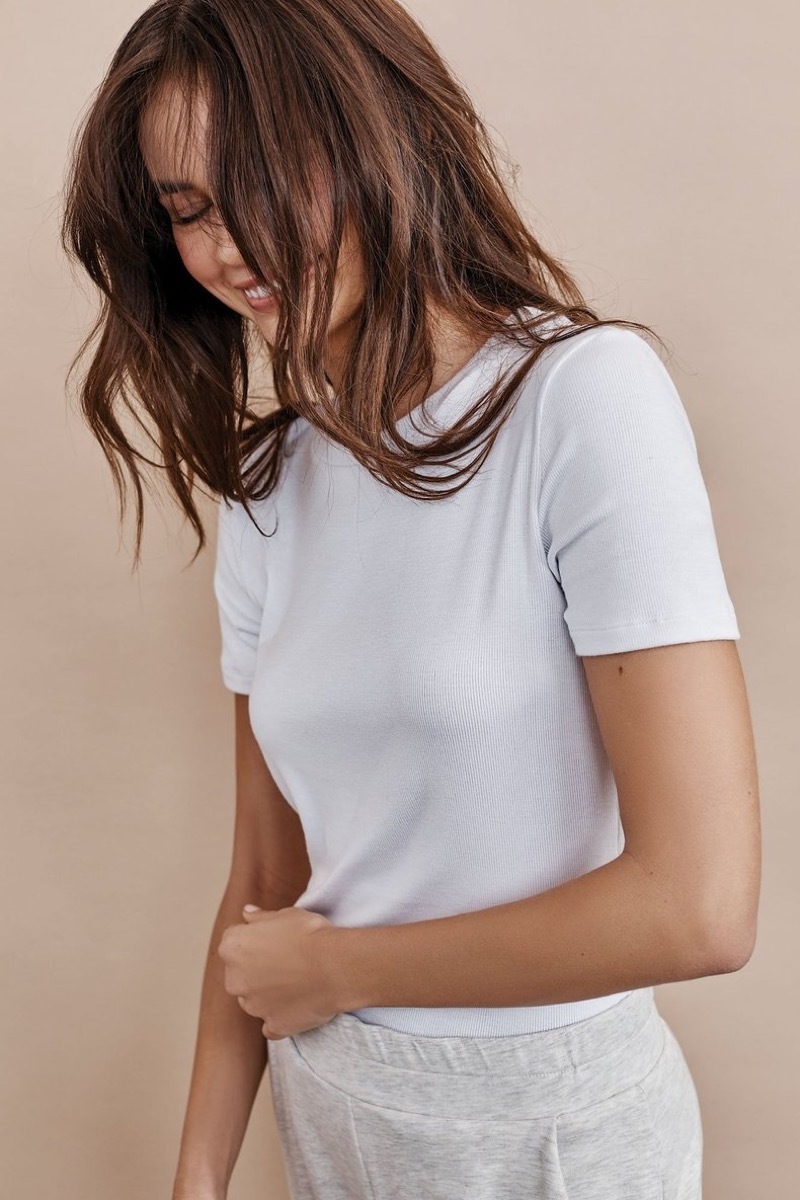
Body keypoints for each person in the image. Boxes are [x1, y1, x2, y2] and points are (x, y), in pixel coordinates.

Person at [60, 2, 761, 1198]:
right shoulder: (266, 483)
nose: (234, 246)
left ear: (375, 133)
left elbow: (697, 907)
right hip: (332, 1114)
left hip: (552, 1139)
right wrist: (195, 1178)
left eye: (264, 178)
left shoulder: (579, 400)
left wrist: (345, 969)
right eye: (188, 210)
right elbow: (264, 883)